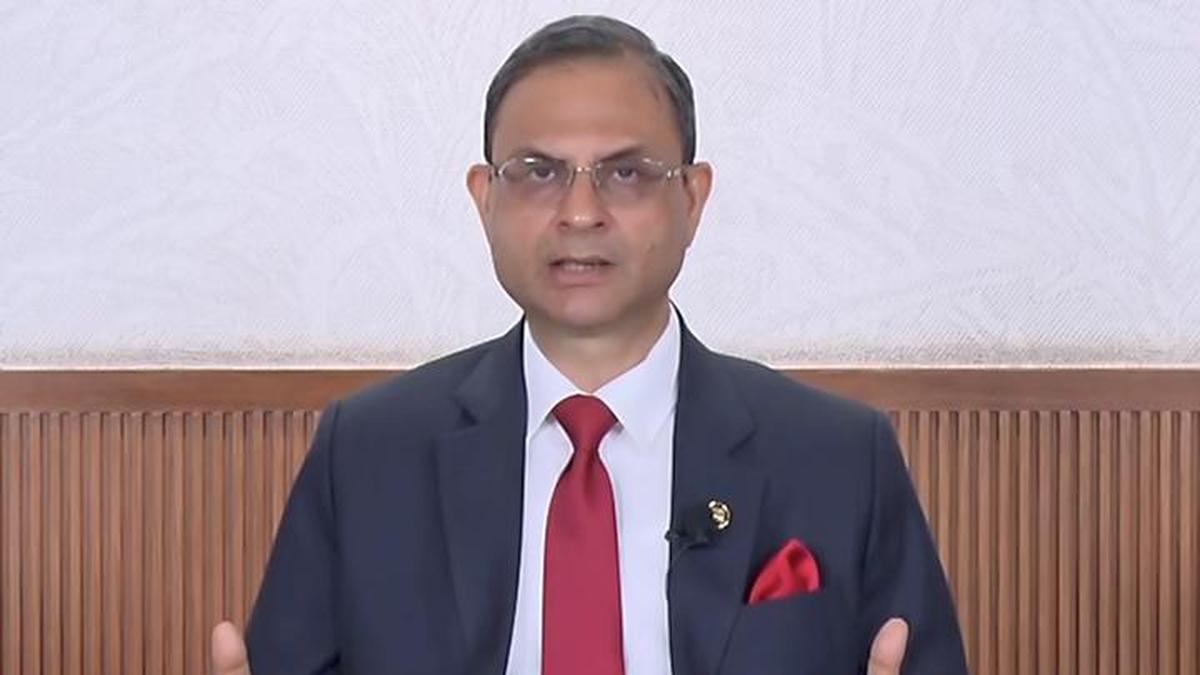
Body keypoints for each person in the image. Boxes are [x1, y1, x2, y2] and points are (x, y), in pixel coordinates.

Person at [212, 15, 967, 675]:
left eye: (626, 172)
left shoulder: (838, 456)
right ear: (485, 198)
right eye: (538, 172)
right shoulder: (369, 450)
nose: (580, 212)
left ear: (692, 198)